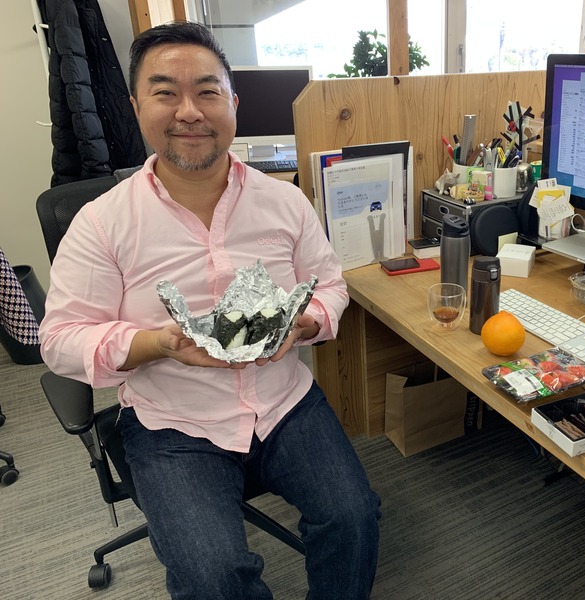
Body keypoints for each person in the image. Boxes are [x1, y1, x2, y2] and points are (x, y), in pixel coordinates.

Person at [39, 21, 380, 600]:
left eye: (207, 91)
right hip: (174, 419)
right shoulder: (102, 223)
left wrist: (306, 322)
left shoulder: (285, 201)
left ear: (233, 104)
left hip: (282, 401)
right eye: (165, 92)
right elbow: (60, 339)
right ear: (136, 107)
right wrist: (157, 343)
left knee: (355, 518)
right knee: (213, 576)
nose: (189, 112)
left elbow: (330, 285)